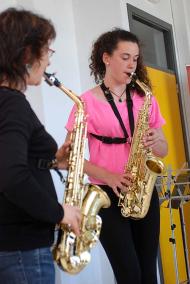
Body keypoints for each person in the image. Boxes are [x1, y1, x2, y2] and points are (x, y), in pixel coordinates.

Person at [65, 28, 168, 284]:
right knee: (128, 274)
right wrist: (109, 177)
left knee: (148, 273)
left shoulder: (145, 99)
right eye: (125, 57)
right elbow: (71, 157)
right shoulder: (85, 103)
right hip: (108, 196)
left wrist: (158, 140)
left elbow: (162, 150)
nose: (132, 64)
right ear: (106, 58)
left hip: (142, 192)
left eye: (135, 58)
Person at [0, 7, 81, 284]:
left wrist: (53, 160)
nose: (48, 60)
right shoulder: (12, 104)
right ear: (26, 54)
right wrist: (60, 212)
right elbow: (11, 176)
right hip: (21, 250)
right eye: (47, 50)